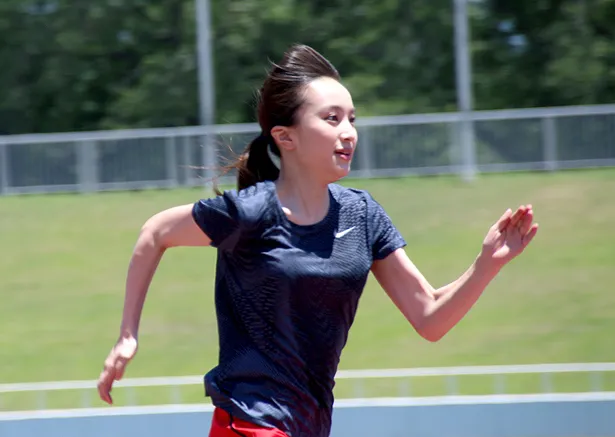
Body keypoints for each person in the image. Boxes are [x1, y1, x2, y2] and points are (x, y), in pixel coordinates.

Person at [97, 44, 539, 437]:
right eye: (331, 119)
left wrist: (488, 265)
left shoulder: (362, 215)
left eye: (352, 119)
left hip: (310, 424)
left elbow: (430, 319)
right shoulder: (250, 213)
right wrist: (127, 336)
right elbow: (154, 233)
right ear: (285, 137)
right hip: (249, 422)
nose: (348, 132)